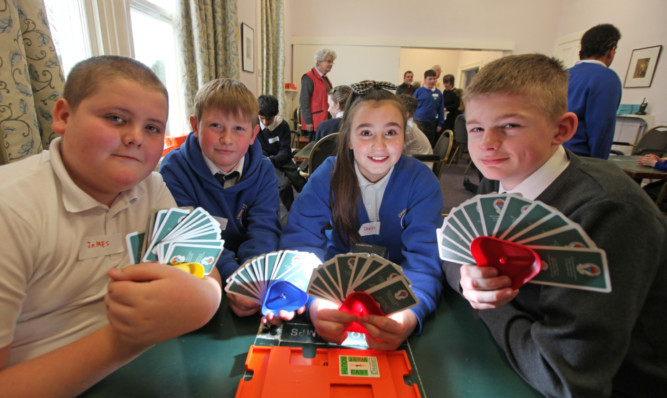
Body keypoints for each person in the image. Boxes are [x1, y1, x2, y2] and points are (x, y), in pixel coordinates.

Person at [443, 53, 666, 397]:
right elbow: (450, 249)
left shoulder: (608, 212)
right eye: (476, 128)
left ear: (561, 129)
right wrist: (467, 277)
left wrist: (487, 305)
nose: (486, 143)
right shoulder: (501, 175)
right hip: (523, 350)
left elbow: (564, 376)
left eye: (510, 125)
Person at [0, 55, 222, 396]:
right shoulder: (10, 208)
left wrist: (208, 292)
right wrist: (122, 341)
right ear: (63, 116)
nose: (135, 137)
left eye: (152, 128)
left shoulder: (151, 187)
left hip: (147, 369)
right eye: (116, 118)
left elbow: (201, 267)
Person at [280, 81, 444, 350]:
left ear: (405, 136)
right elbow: (301, 243)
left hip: (401, 288)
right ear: (349, 139)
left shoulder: (422, 182)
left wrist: (410, 313)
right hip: (334, 290)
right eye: (366, 132)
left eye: (391, 132)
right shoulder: (328, 176)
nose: (379, 145)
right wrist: (315, 303)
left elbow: (425, 261)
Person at [159, 78, 282, 317]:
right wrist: (232, 275)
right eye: (216, 126)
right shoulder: (173, 169)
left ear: (253, 134)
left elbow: (264, 226)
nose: (227, 139)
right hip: (201, 271)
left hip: (248, 271)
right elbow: (191, 237)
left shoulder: (264, 170)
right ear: (195, 126)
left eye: (238, 128)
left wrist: (252, 272)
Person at [564, 23, 622, 159]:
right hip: (578, 158)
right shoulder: (606, 78)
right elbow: (601, 128)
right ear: (611, 51)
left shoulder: (561, 75)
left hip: (551, 154)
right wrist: (599, 165)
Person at [256, 94, 307, 211]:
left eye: (269, 119)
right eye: (261, 118)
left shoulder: (282, 125)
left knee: (300, 182)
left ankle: (307, 207)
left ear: (276, 114)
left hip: (282, 158)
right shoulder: (254, 125)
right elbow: (258, 150)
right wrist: (268, 160)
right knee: (284, 185)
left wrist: (273, 159)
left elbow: (285, 150)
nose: (265, 122)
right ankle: (292, 210)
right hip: (266, 162)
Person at [299, 48, 336, 141]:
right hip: (314, 123)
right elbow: (304, 102)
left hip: (324, 121)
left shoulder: (324, 78)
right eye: (328, 61)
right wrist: (308, 122)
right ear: (319, 61)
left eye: (332, 62)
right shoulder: (308, 77)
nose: (331, 64)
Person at [413, 69, 445, 148]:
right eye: (429, 79)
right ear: (425, 80)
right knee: (418, 144)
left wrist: (440, 124)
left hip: (432, 123)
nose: (432, 81)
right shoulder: (418, 91)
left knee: (429, 144)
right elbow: (412, 106)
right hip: (418, 122)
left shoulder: (439, 93)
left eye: (434, 79)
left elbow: (440, 110)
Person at [397, 94, 433, 159]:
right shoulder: (408, 125)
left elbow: (394, 150)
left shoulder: (408, 128)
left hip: (421, 165)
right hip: (415, 162)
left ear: (406, 114)